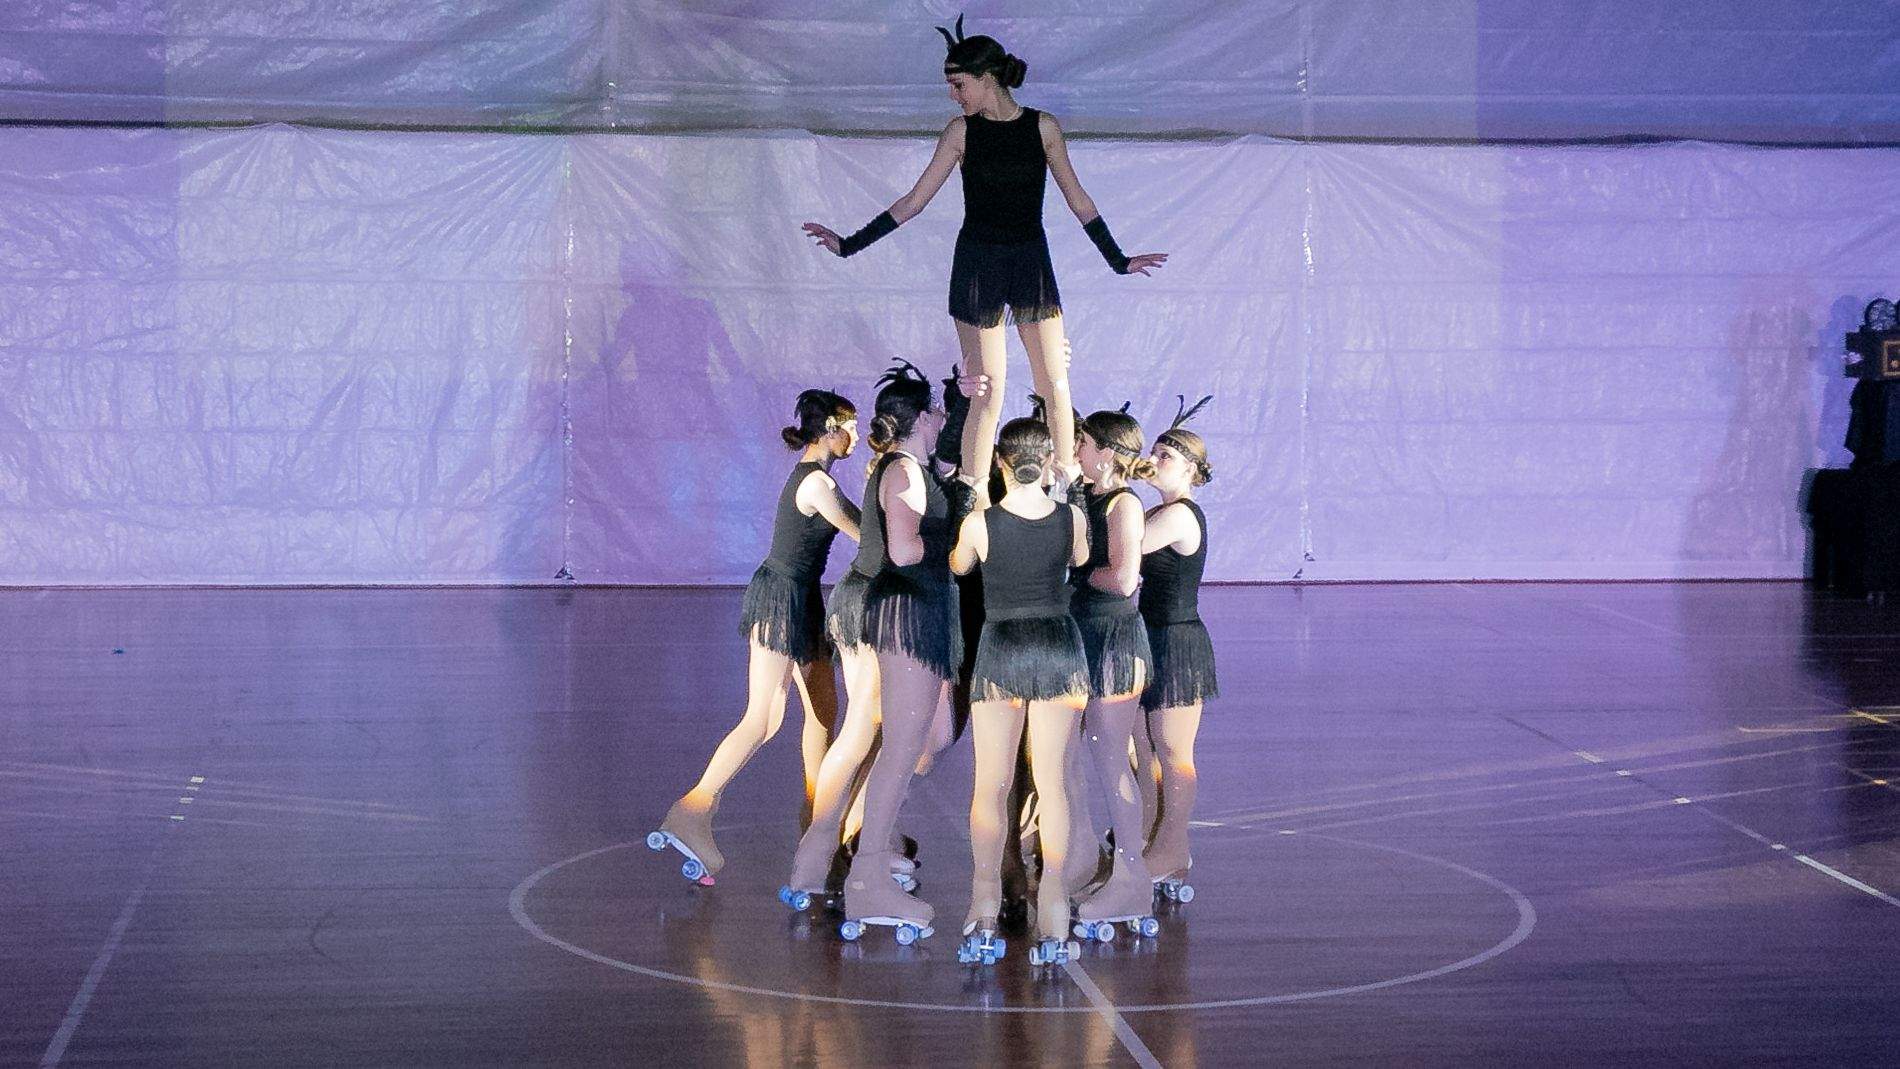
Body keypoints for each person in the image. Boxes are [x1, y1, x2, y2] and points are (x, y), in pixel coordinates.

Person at [802, 15, 1166, 505]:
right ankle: (972, 495)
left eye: (959, 84)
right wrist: (849, 243)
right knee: (987, 390)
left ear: (986, 77)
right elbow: (914, 201)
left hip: (1029, 260)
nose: (954, 95)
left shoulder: (1043, 127)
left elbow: (1078, 199)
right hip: (978, 263)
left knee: (1055, 381)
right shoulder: (960, 132)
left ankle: (1065, 488)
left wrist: (1118, 260)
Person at [652, 391, 861, 883]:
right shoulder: (815, 486)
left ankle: (816, 820)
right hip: (781, 597)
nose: (856, 435)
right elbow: (864, 532)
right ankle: (693, 808)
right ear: (831, 427)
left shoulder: (819, 479)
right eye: (851, 425)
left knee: (824, 713)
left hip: (804, 598)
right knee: (763, 718)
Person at [950, 417, 1092, 965]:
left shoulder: (981, 524)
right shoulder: (1071, 517)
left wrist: (975, 501)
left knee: (992, 785)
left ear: (1001, 463)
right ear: (1049, 460)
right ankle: (1053, 907)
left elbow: (959, 566)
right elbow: (1078, 562)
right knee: (1052, 784)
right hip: (1057, 645)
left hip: (1002, 647)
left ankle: (983, 904)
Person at [1132, 396, 1219, 903]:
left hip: (1177, 641)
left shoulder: (1180, 516)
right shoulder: (1155, 511)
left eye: (1166, 455)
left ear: (1189, 469)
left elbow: (1122, 546)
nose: (1155, 460)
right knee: (1145, 753)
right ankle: (1150, 842)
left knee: (1173, 754)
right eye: (1156, 452)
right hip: (1149, 636)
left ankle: (1173, 848)